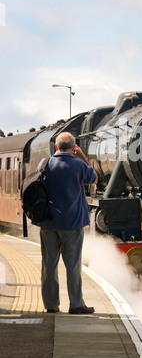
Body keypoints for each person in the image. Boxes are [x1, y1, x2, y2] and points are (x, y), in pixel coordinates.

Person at [38, 132, 97, 314]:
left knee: (48, 266)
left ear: (56, 147)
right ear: (73, 148)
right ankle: (76, 304)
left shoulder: (45, 164)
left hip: (48, 222)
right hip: (73, 223)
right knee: (73, 266)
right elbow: (93, 178)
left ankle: (51, 305)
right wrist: (83, 157)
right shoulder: (79, 164)